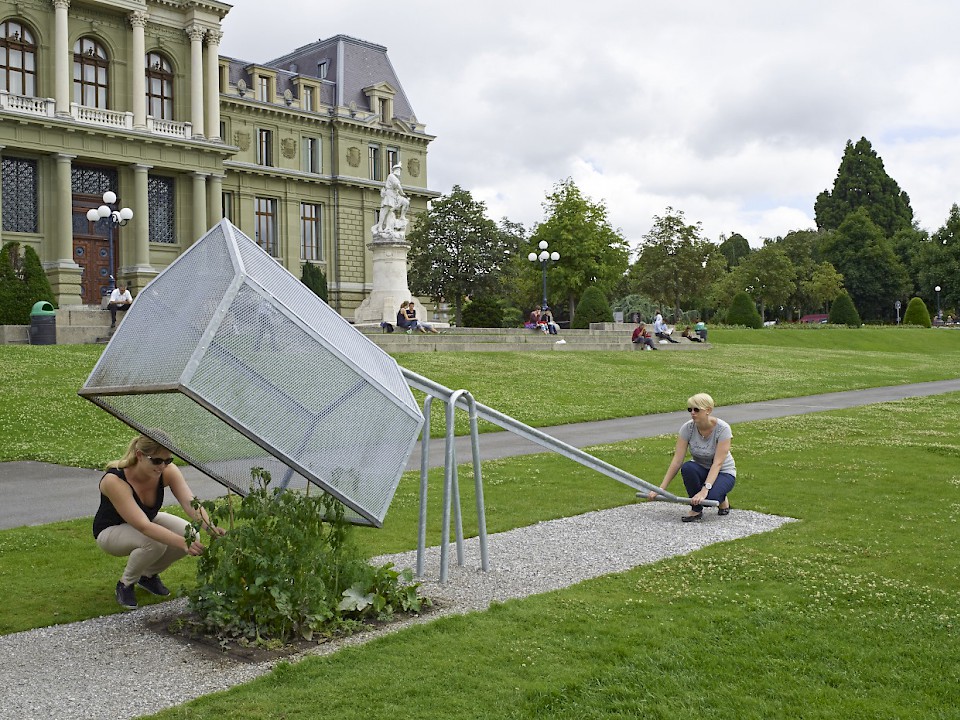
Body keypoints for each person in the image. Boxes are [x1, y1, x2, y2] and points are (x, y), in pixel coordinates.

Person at [93, 433, 224, 609]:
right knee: (156, 542)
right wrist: (182, 542)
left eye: (167, 461)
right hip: (110, 531)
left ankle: (147, 576)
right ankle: (125, 584)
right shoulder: (114, 480)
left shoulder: (167, 471)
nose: (162, 466)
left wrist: (212, 529)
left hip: (145, 521)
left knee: (191, 534)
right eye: (156, 461)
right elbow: (143, 526)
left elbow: (190, 503)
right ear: (139, 455)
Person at [646, 393, 735, 522]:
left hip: (723, 472)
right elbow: (677, 460)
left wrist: (704, 491)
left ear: (708, 410)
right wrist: (661, 488)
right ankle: (696, 509)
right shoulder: (687, 428)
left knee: (710, 498)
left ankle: (721, 498)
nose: (692, 413)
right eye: (690, 409)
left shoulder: (723, 429)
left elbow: (718, 463)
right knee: (688, 467)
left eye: (696, 409)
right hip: (701, 468)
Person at [377, 164, 410, 233]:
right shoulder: (391, 176)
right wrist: (403, 193)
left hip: (395, 195)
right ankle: (380, 226)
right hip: (389, 194)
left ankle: (401, 217)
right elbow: (398, 186)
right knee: (385, 211)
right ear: (395, 170)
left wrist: (401, 194)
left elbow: (398, 187)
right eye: (398, 170)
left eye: (400, 170)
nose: (399, 171)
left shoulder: (396, 178)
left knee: (406, 203)